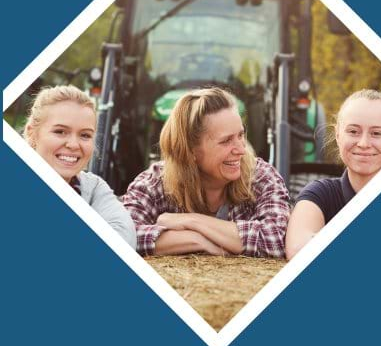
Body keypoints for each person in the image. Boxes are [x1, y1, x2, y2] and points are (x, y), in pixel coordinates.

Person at [122, 87, 290, 257]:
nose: (241, 149)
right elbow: (120, 236)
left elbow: (276, 240)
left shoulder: (262, 177)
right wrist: (198, 241)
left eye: (241, 135)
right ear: (191, 150)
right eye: (226, 141)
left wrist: (192, 221)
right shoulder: (154, 183)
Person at [285, 89, 381, 260]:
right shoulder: (320, 194)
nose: (363, 143)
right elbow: (298, 248)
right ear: (338, 135)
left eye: (376, 133)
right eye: (353, 131)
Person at [23, 85, 135, 248]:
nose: (74, 145)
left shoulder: (94, 187)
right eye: (60, 131)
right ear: (32, 133)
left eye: (85, 135)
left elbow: (124, 240)